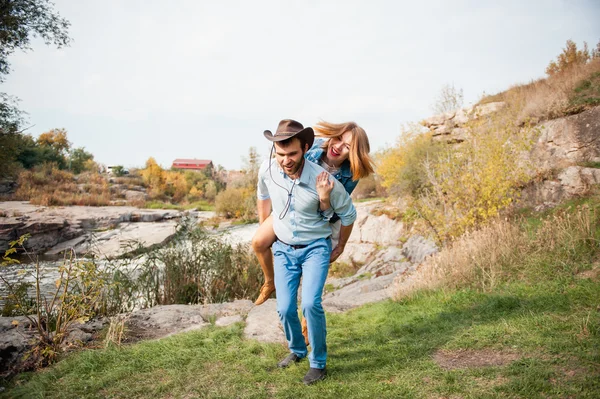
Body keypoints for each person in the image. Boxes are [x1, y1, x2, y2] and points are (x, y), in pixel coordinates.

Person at [257, 119, 357, 385]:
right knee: (285, 308)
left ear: (305, 148)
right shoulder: (268, 170)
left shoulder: (325, 180)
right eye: (280, 154)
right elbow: (262, 192)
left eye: (292, 154)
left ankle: (318, 363)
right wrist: (264, 222)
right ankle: (297, 350)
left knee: (311, 304)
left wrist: (341, 245)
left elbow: (348, 214)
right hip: (283, 250)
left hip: (315, 248)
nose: (286, 160)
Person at [253, 121, 375, 305]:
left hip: (324, 218)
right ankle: (270, 282)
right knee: (259, 242)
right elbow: (279, 175)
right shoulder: (312, 148)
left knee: (319, 264)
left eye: (347, 147)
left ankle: (307, 316)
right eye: (338, 138)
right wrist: (265, 222)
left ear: (353, 153)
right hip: (292, 206)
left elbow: (337, 212)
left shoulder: (350, 175)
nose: (338, 147)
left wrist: (325, 201)